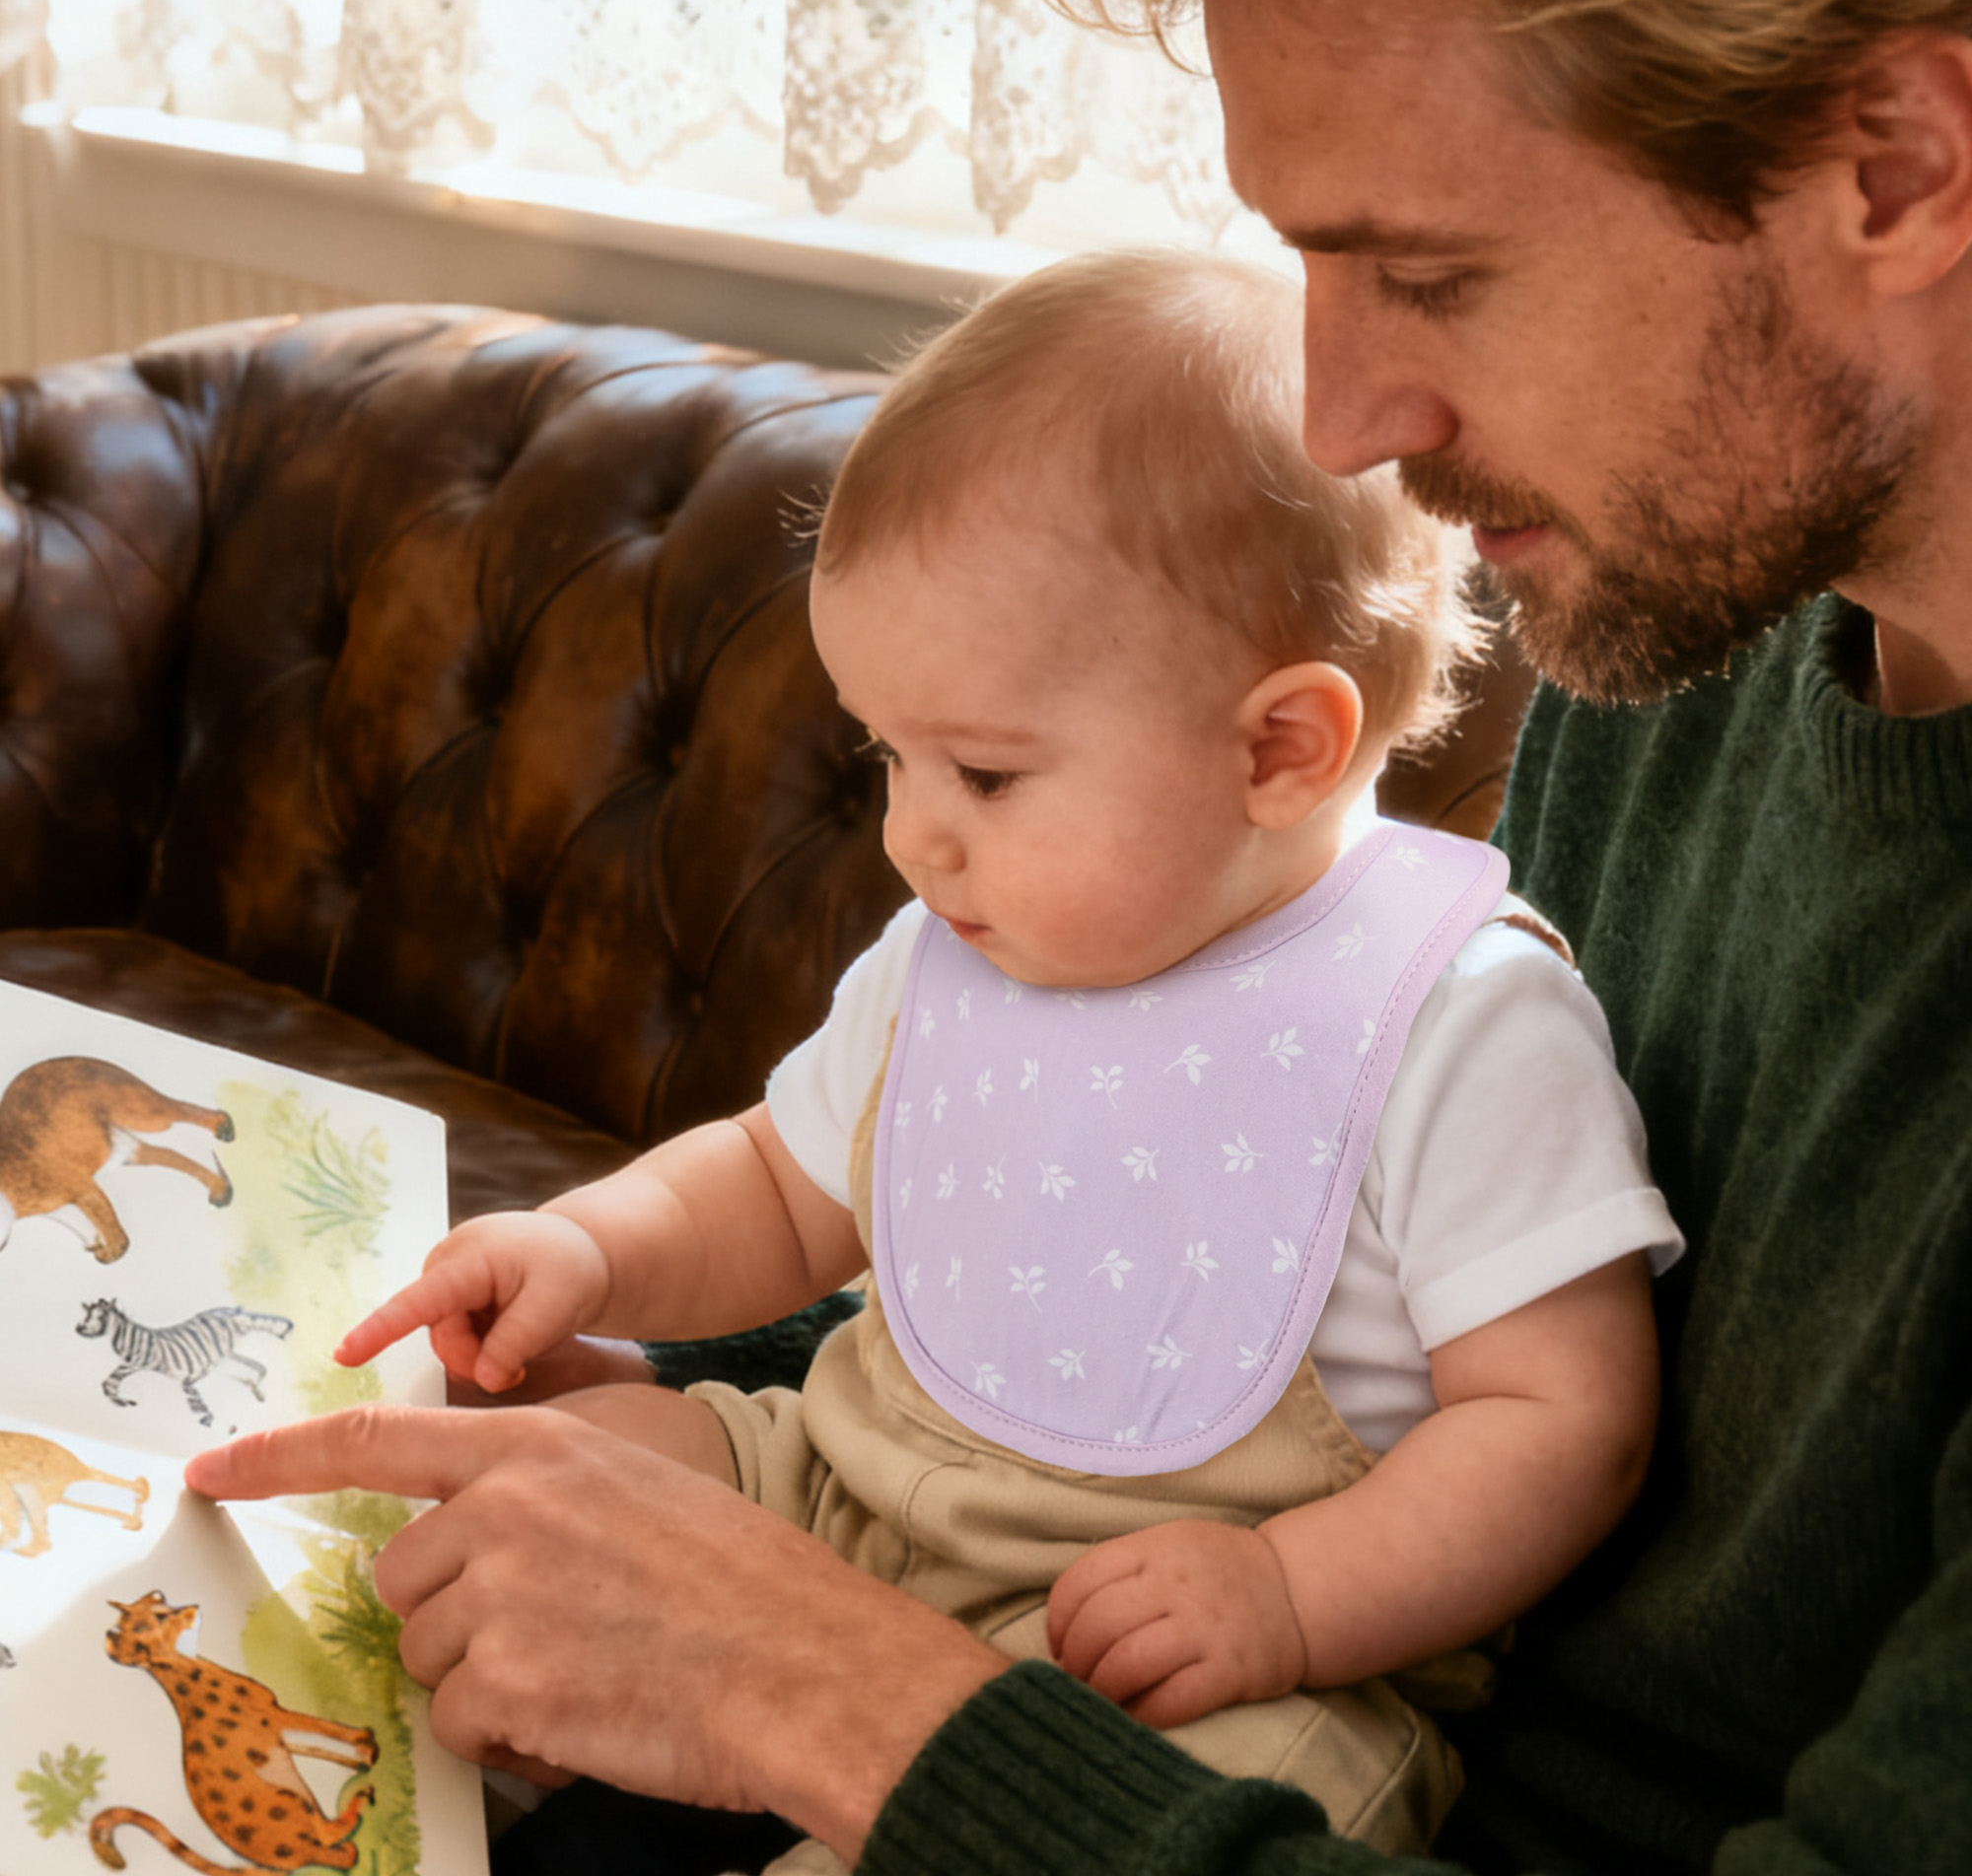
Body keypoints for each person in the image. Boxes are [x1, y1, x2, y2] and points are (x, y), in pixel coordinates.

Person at [186, 0, 1972, 1872]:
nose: (1337, 417)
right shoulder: (1680, 633)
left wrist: (828, 1687)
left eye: (1432, 273)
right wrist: (651, 1394)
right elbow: (1184, 1212)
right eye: (1309, 261)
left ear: (1898, 162)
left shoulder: (1518, 863)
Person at [325, 247, 1675, 1870]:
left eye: (981, 771)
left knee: (1301, 1774)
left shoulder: (1457, 1021)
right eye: (887, 753)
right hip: (846, 1494)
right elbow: (774, 1178)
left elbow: (1560, 1419)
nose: (911, 836)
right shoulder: (955, 954)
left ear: (1280, 747)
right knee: (511, 1484)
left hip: (1178, 1670)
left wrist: (1293, 1596)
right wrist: (585, 1251)